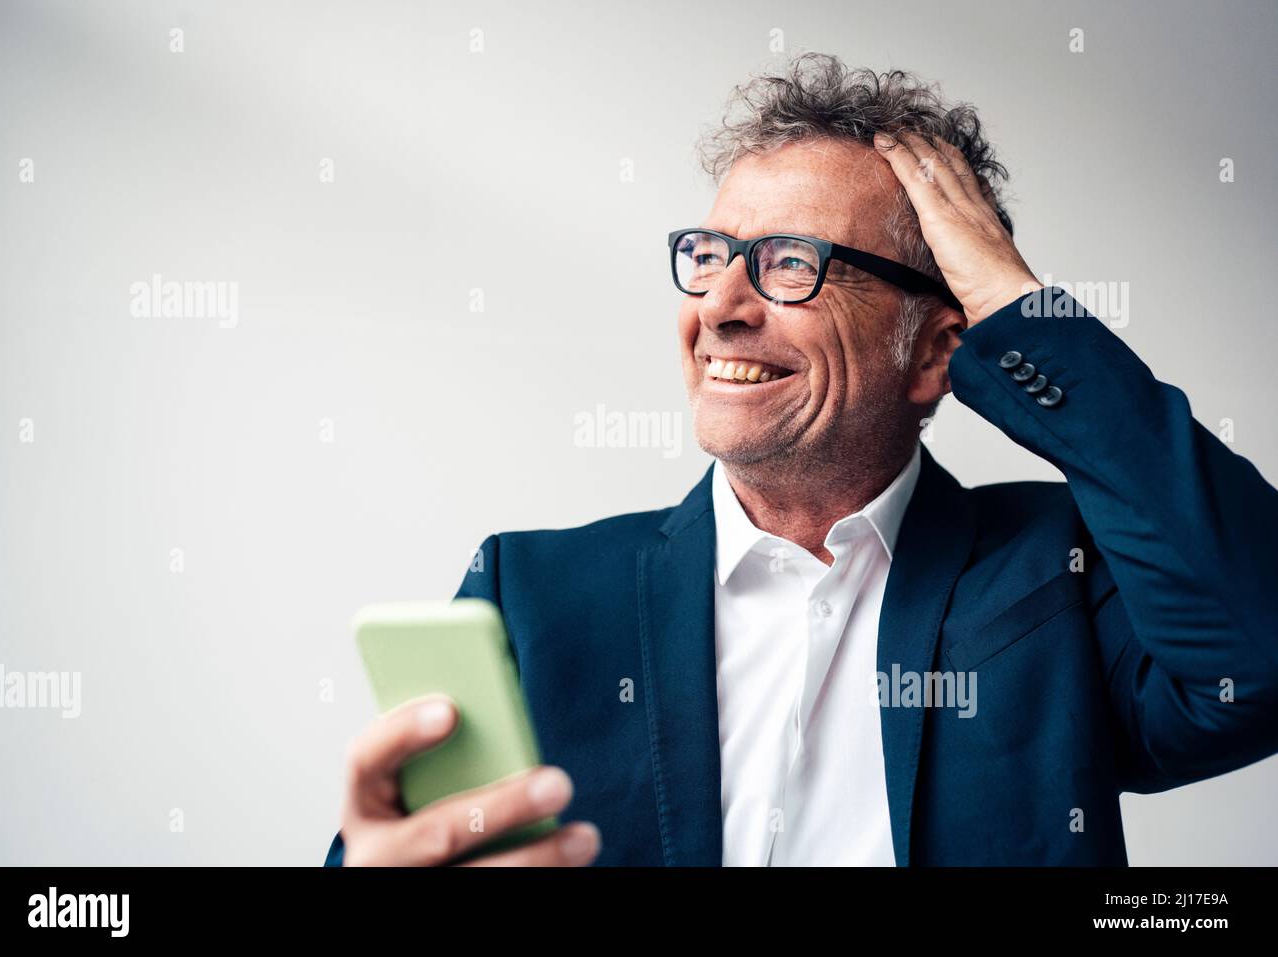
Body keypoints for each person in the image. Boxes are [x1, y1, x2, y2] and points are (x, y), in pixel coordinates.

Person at [327, 53, 1278, 866]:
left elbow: (1259, 660)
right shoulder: (530, 595)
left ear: (938, 350)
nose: (721, 306)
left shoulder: (1060, 578)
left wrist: (1023, 310)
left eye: (790, 262)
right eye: (709, 254)